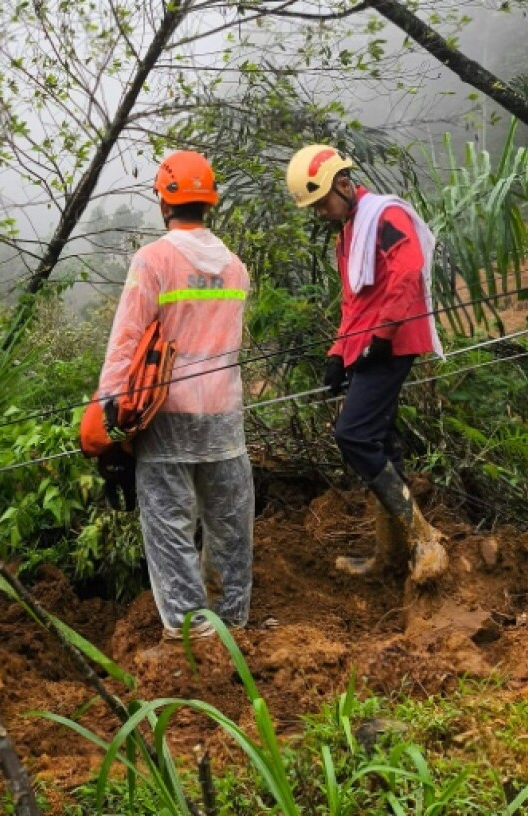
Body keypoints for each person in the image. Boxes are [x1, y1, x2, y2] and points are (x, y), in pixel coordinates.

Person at [97, 150, 254, 640]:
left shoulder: (154, 260)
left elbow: (127, 338)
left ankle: (191, 635)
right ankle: (232, 621)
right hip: (224, 412)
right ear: (210, 202)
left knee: (168, 525)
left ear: (163, 200)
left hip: (165, 414)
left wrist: (110, 404)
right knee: (230, 522)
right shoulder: (235, 267)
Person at [285, 144, 448, 584]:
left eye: (322, 203)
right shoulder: (349, 232)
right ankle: (391, 558)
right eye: (314, 207)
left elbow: (407, 273)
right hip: (370, 345)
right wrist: (338, 355)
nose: (320, 212)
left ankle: (426, 540)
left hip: (392, 344)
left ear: (342, 183)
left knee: (353, 436)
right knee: (382, 445)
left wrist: (381, 336)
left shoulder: (386, 218)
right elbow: (354, 303)